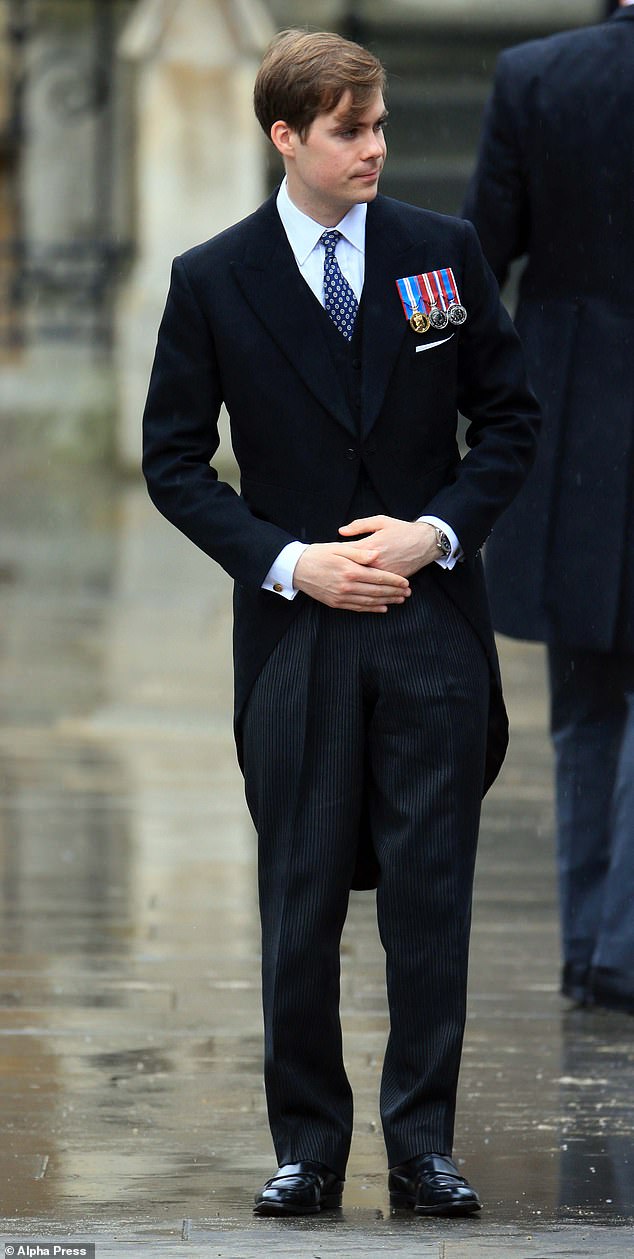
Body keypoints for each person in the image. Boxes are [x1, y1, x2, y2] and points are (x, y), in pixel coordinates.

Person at [142, 29, 539, 1218]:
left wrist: (436, 531)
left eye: (376, 126)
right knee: (299, 893)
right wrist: (287, 561)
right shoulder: (213, 277)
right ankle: (307, 1146)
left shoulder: (441, 252)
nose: (374, 147)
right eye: (348, 130)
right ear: (285, 136)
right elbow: (172, 462)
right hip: (295, 637)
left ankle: (425, 1147)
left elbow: (509, 420)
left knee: (431, 892)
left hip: (429, 621)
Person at [463, 2, 634, 1015]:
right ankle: (620, 950)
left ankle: (587, 949)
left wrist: (420, 386)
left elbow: (478, 260)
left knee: (582, 704)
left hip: (567, 417)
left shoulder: (535, 73)